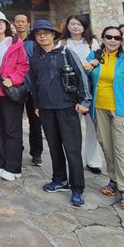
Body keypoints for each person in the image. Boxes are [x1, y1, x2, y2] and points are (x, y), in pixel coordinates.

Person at [29, 20, 91, 207]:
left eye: (46, 33)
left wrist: (84, 101)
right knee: (54, 146)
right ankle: (59, 179)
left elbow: (81, 76)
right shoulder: (35, 58)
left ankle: (77, 188)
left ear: (53, 35)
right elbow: (34, 84)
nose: (42, 36)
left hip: (67, 107)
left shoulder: (66, 53)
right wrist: (37, 105)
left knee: (72, 149)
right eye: (38, 34)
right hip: (46, 108)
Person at [87, 26, 124, 211]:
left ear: (121, 41)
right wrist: (89, 66)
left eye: (116, 38)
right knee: (107, 148)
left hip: (121, 111)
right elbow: (83, 77)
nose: (112, 40)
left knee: (123, 151)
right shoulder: (94, 57)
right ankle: (114, 180)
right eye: (108, 37)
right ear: (102, 39)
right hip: (99, 109)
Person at [0, 12, 29, 182]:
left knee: (12, 129)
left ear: (6, 24)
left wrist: (13, 79)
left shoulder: (16, 43)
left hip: (10, 91)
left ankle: (13, 166)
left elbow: (23, 65)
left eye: (1, 22)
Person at [60, 14, 105, 176]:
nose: (76, 27)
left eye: (79, 24)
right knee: (73, 128)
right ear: (67, 25)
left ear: (84, 26)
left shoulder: (92, 43)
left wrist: (92, 64)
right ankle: (74, 159)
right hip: (70, 90)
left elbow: (100, 61)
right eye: (72, 23)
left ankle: (93, 161)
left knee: (93, 126)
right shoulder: (62, 43)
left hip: (90, 88)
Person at [14, 13, 42, 167]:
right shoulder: (11, 41)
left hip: (32, 88)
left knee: (35, 122)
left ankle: (36, 153)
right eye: (17, 21)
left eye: (22, 21)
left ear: (28, 24)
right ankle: (17, 148)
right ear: (13, 24)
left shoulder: (34, 42)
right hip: (16, 87)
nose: (20, 24)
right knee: (14, 121)